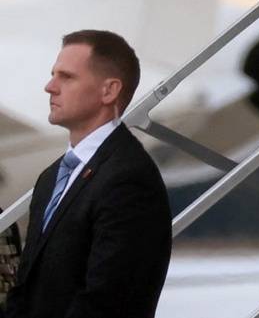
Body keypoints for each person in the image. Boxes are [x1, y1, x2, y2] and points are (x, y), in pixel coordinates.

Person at [2, 31, 170, 318]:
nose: (50, 87)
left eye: (66, 77)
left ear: (109, 91)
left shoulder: (129, 179)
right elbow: (26, 291)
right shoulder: (51, 177)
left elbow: (108, 299)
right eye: (53, 75)